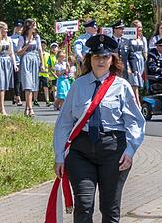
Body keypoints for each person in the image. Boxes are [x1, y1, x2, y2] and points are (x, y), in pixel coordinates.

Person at [52, 34, 146, 223]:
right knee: (84, 206)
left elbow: (135, 121)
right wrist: (60, 156)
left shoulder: (122, 86)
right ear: (90, 59)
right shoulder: (78, 86)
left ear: (112, 60)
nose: (101, 61)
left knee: (110, 208)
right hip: (81, 152)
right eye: (96, 57)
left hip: (113, 151)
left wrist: (130, 149)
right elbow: (64, 122)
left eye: (105, 57)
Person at [0, 21, 18, 116]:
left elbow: (11, 53)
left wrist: (14, 64)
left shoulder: (8, 39)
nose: (6, 30)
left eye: (6, 29)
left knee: (4, 86)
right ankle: (2, 108)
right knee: (0, 85)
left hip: (7, 62)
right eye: (4, 29)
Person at [16, 19, 45, 117]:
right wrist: (27, 45)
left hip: (35, 60)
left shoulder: (37, 37)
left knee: (32, 85)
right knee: (28, 84)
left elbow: (40, 50)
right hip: (26, 60)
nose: (35, 27)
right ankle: (30, 108)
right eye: (34, 25)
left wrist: (42, 63)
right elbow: (18, 52)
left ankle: (27, 108)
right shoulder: (22, 38)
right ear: (29, 26)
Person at [112, 20, 138, 103]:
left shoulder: (127, 42)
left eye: (123, 28)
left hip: (123, 71)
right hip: (113, 70)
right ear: (115, 29)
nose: (122, 30)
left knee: (123, 88)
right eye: (120, 28)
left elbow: (131, 57)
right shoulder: (109, 42)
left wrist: (134, 69)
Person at [129, 20, 148, 95]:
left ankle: (141, 97)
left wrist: (146, 63)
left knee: (141, 81)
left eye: (140, 27)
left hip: (140, 61)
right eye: (138, 27)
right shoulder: (129, 39)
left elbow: (145, 52)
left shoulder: (143, 39)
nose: (140, 29)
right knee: (134, 81)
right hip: (132, 60)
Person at [10, 19, 24, 106]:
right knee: (17, 80)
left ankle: (15, 96)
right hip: (15, 61)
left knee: (21, 80)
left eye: (21, 27)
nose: (19, 29)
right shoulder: (11, 38)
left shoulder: (24, 38)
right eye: (18, 27)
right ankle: (18, 96)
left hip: (24, 61)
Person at [38, 40, 54, 107]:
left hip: (45, 73)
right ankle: (35, 100)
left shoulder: (48, 54)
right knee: (36, 87)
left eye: (44, 45)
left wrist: (49, 73)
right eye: (41, 44)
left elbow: (50, 64)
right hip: (38, 72)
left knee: (46, 87)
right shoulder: (37, 53)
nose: (43, 46)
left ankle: (47, 100)